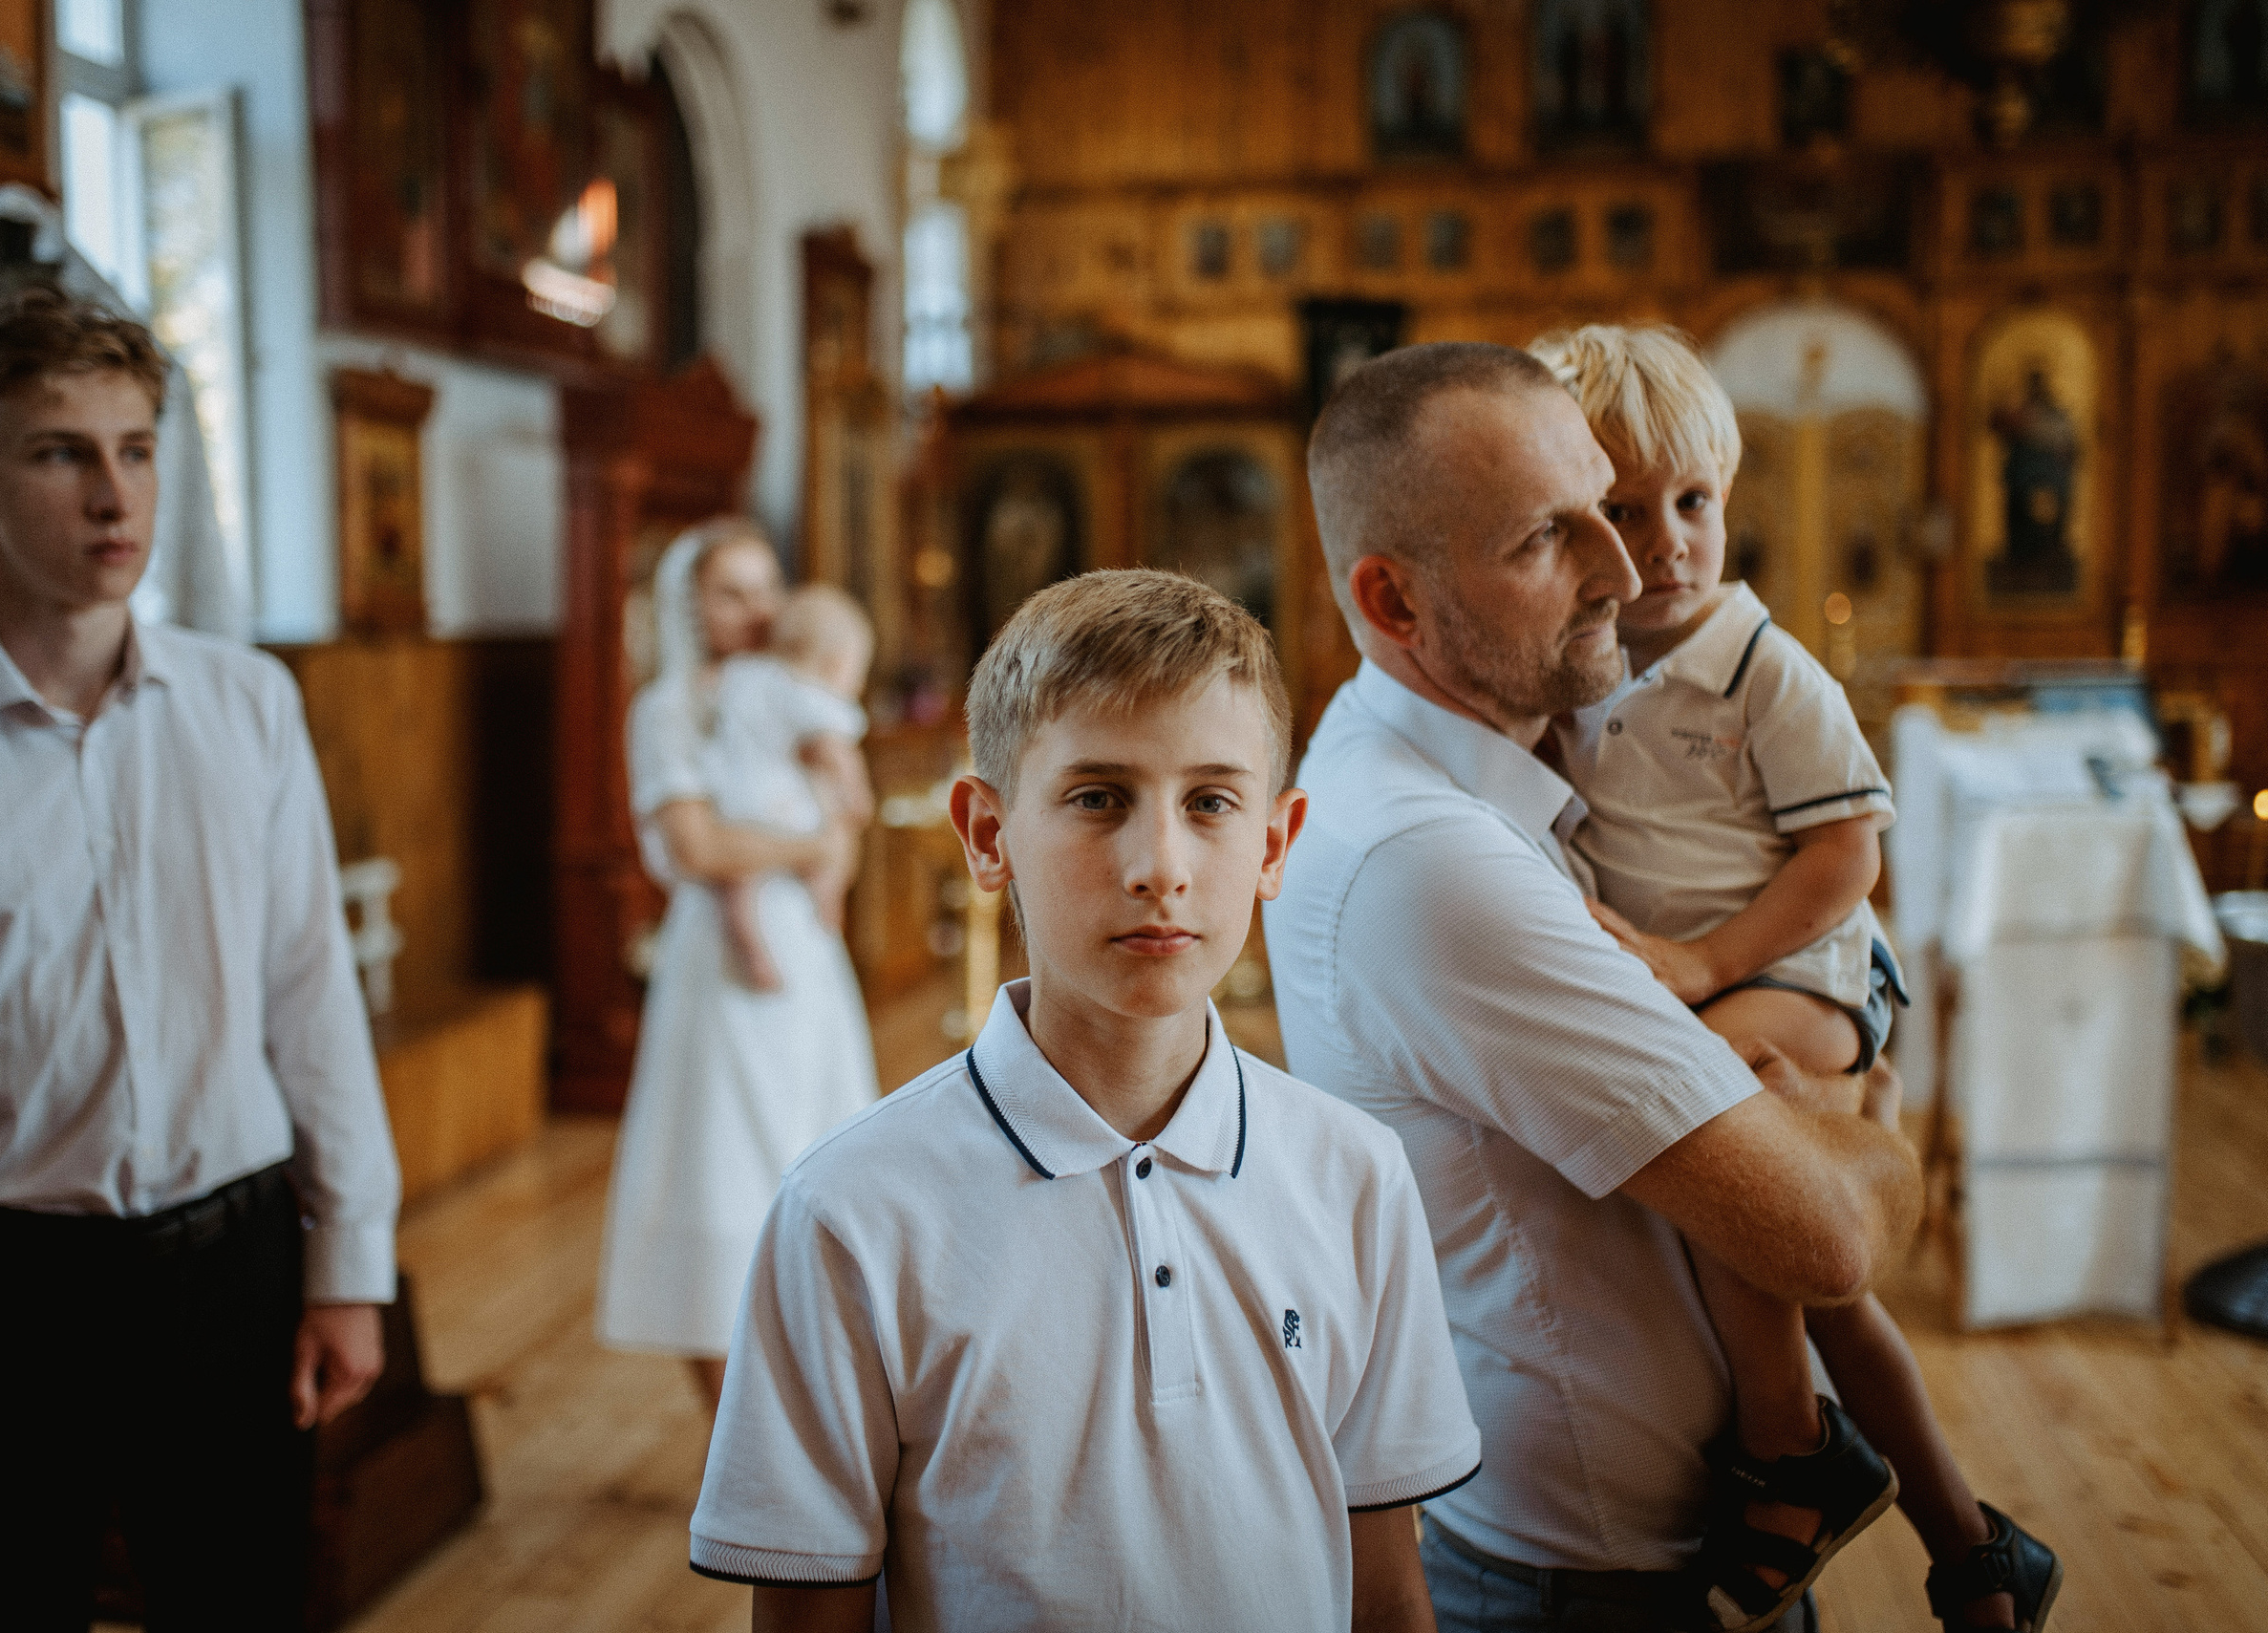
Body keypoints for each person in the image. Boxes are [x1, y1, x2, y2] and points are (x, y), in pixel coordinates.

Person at [1265, 341, 1939, 1633]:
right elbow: (1827, 1236)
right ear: (1394, 602)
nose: (1629, 574)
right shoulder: (1432, 860)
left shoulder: (1487, 770)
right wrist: (1872, 1142)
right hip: (1601, 1581)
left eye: (1614, 506)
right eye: (1549, 540)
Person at [689, 569, 1480, 1633]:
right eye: (1098, 796)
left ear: (1276, 843)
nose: (1160, 865)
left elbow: (1386, 1589)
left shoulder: (1354, 1174)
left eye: (1210, 801)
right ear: (986, 831)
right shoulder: (850, 1212)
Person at [0, 288, 399, 1628]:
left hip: (237, 1265)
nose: (112, 493)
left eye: (136, 448)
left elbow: (309, 990)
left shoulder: (249, 700)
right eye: (59, 451)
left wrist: (349, 1261)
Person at [1530, 324, 2060, 1633]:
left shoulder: (1765, 665)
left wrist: (1709, 961)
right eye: (1624, 509)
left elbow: (1847, 853)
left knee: (1729, 1164)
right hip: (1706, 981)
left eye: (1695, 505)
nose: (1668, 543)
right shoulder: (1582, 668)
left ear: (1730, 501)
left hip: (1802, 969)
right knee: (1808, 1265)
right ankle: (1973, 1544)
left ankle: (1790, 1447)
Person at [595, 522, 878, 1412]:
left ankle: (819, 1415)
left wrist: (821, 852)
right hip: (718, 970)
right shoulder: (670, 707)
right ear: (691, 607)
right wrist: (805, 843)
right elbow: (695, 840)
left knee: (819, 1159)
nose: (758, 610)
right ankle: (735, 1431)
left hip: (808, 959)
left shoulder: (791, 691)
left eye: (767, 588)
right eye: (731, 593)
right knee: (717, 1176)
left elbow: (848, 826)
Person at [709, 583, 876, 993]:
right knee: (830, 843)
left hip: (734, 794)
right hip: (784, 802)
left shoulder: (745, 674)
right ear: (836, 662)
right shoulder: (810, 694)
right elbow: (832, 749)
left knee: (740, 883)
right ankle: (829, 898)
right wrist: (858, 793)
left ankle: (750, 945)